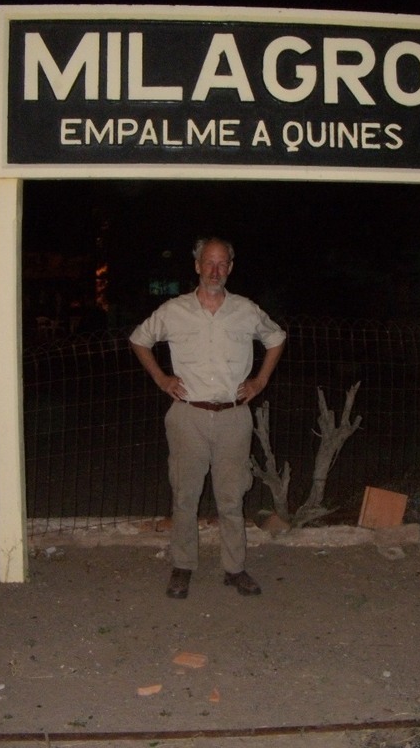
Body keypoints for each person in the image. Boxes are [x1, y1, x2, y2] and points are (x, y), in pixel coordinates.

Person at [130, 237, 286, 599]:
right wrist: (160, 378)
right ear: (197, 266)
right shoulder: (174, 310)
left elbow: (276, 338)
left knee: (231, 498)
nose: (215, 270)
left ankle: (235, 568)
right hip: (188, 416)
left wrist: (260, 380)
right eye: (208, 263)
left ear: (230, 268)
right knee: (185, 495)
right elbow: (140, 340)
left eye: (222, 264)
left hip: (234, 416)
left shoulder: (246, 310)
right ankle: (183, 566)